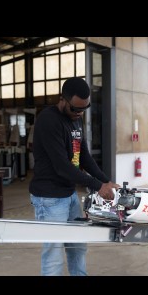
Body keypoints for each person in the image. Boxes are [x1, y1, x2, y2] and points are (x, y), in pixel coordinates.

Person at [29, 77, 120, 276]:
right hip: (49, 198)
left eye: (84, 109)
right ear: (62, 100)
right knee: (53, 254)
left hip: (68, 195)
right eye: (75, 109)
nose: (79, 114)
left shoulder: (75, 120)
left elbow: (84, 156)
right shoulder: (48, 120)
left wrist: (105, 181)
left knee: (78, 247)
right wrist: (97, 186)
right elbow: (62, 166)